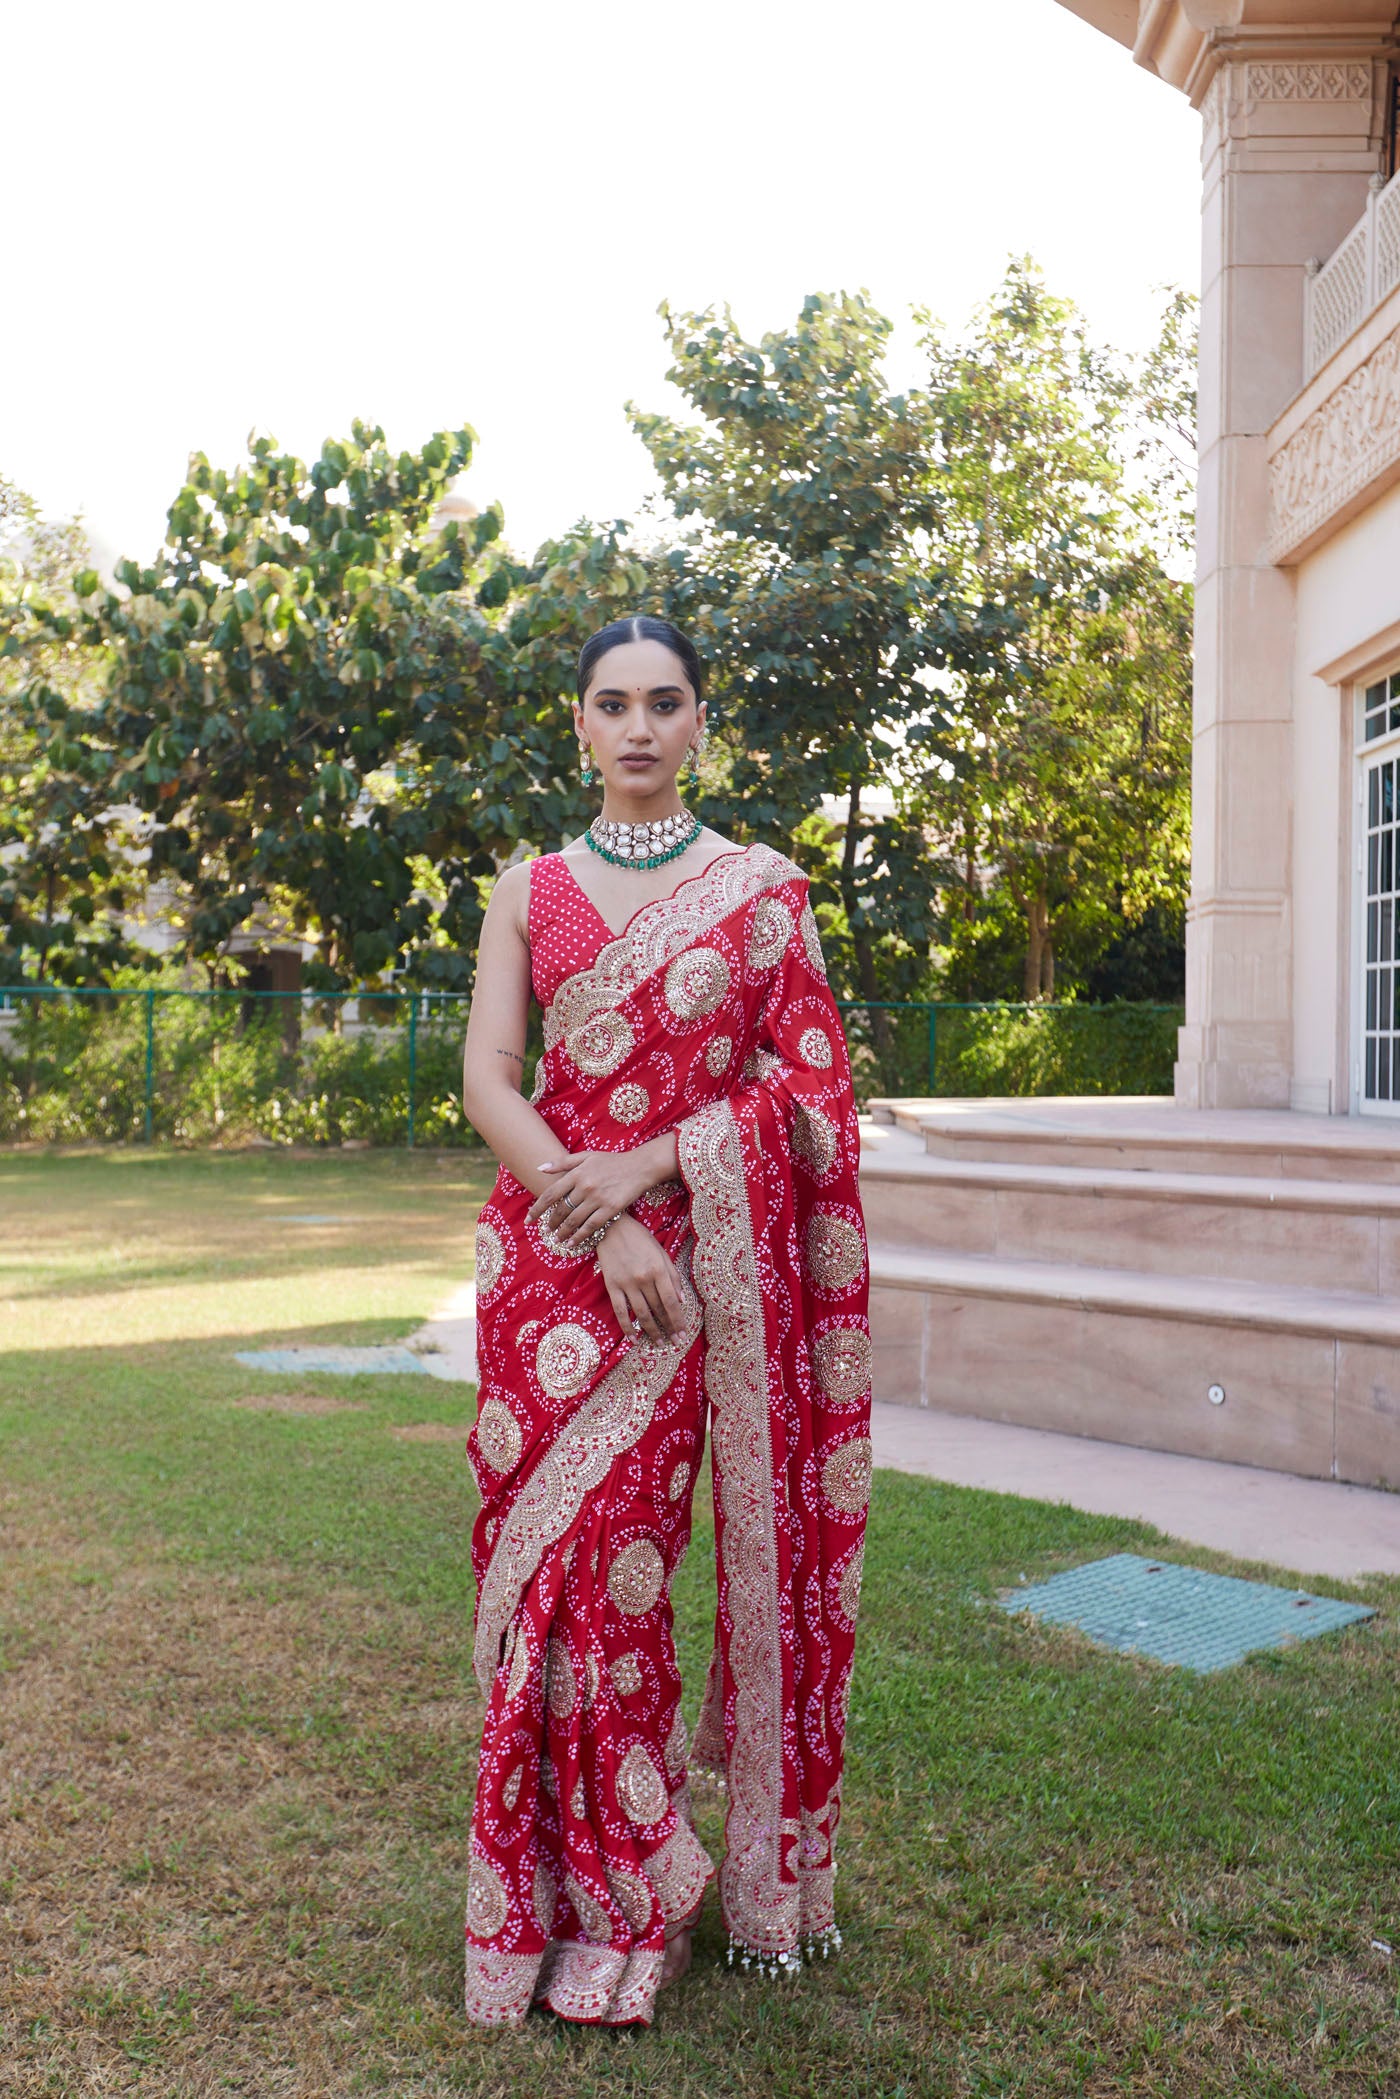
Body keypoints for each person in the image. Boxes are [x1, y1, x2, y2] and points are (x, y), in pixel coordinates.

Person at [458, 613, 872, 2029]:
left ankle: (636, 1891)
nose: (639, 727)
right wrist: (605, 1209)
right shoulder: (528, 887)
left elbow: (807, 1099)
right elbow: (489, 1081)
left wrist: (656, 1169)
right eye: (612, 703)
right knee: (539, 1596)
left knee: (621, 1580)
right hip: (551, 1266)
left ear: (702, 721)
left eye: (666, 703)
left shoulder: (758, 896)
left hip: (688, 1290)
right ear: (577, 722)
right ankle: (537, 1901)